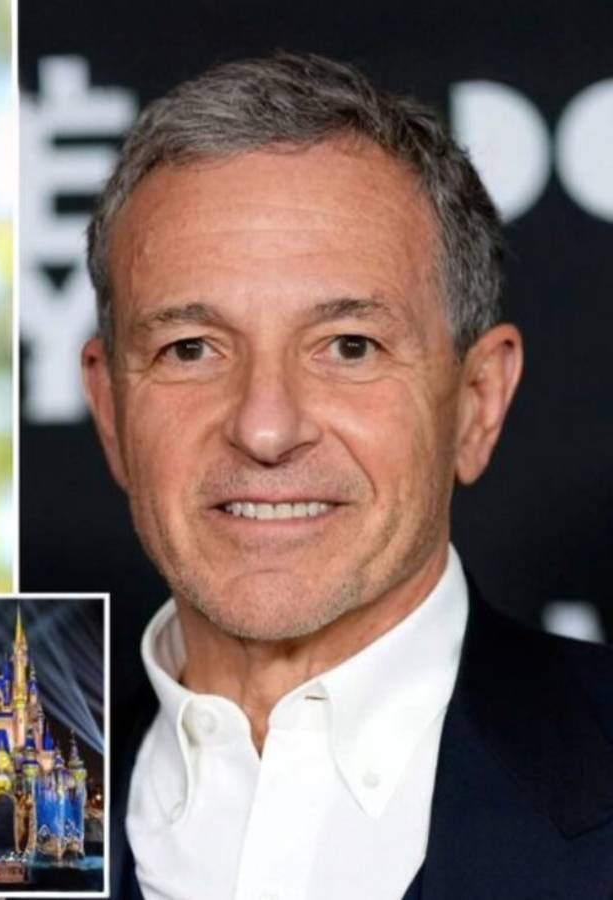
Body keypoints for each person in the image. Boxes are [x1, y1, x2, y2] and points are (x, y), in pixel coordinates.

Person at [81, 54, 613, 899]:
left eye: (349, 347)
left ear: (476, 402)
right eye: (191, 349)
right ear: (109, 407)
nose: (265, 426)